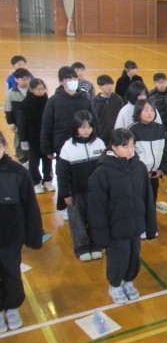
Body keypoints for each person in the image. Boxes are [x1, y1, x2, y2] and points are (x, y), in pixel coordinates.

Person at [88, 128, 157, 304]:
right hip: (115, 228)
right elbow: (97, 208)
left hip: (135, 224)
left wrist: (150, 225)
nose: (130, 150)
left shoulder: (139, 167)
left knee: (134, 256)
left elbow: (147, 198)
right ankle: (115, 285)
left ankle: (129, 281)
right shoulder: (102, 173)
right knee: (118, 258)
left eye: (132, 146)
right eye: (125, 147)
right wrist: (101, 235)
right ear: (113, 147)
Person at [0, 130, 43, 333]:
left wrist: (33, 236)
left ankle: (12, 307)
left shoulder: (18, 172)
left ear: (4, 146)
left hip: (11, 237)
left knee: (11, 272)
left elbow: (30, 207)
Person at [57, 110, 106, 261]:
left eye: (89, 126)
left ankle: (96, 244)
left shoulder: (99, 143)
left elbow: (105, 168)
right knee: (78, 221)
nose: (86, 130)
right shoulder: (68, 147)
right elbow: (62, 174)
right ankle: (81, 247)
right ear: (75, 127)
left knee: (96, 218)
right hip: (77, 192)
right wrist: (66, 194)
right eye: (82, 127)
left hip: (96, 192)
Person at [41, 66, 99, 159]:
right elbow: (46, 125)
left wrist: (96, 140)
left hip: (83, 144)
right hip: (62, 145)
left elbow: (95, 121)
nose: (73, 81)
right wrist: (47, 149)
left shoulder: (85, 99)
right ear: (61, 82)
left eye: (74, 79)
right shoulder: (53, 101)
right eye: (69, 79)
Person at [128, 99, 167, 202]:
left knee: (152, 201)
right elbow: (130, 154)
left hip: (154, 175)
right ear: (138, 112)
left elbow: (165, 150)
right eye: (146, 110)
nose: (150, 113)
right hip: (138, 175)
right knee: (139, 202)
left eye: (152, 110)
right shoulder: (132, 129)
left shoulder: (160, 128)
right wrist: (139, 172)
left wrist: (162, 169)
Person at [15, 78, 53, 193]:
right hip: (32, 138)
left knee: (48, 159)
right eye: (39, 89)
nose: (41, 91)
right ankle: (36, 182)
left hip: (46, 137)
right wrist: (23, 140)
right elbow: (21, 123)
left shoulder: (48, 101)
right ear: (31, 89)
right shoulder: (24, 104)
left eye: (43, 89)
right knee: (34, 162)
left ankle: (48, 180)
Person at [149, 72, 167, 162]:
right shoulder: (151, 96)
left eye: (164, 82)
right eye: (159, 82)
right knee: (161, 148)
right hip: (159, 127)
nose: (162, 84)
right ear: (155, 83)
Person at [5, 67, 30, 165]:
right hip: (18, 124)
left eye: (28, 79)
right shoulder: (10, 93)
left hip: (32, 124)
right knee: (19, 143)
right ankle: (22, 160)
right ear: (16, 79)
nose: (26, 81)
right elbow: (8, 109)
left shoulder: (32, 90)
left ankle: (31, 160)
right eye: (23, 79)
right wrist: (11, 123)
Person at [93, 74, 124, 144]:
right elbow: (93, 120)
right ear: (100, 86)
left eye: (111, 84)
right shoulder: (95, 101)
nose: (110, 86)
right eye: (106, 84)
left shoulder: (118, 99)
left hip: (116, 134)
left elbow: (122, 115)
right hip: (100, 135)